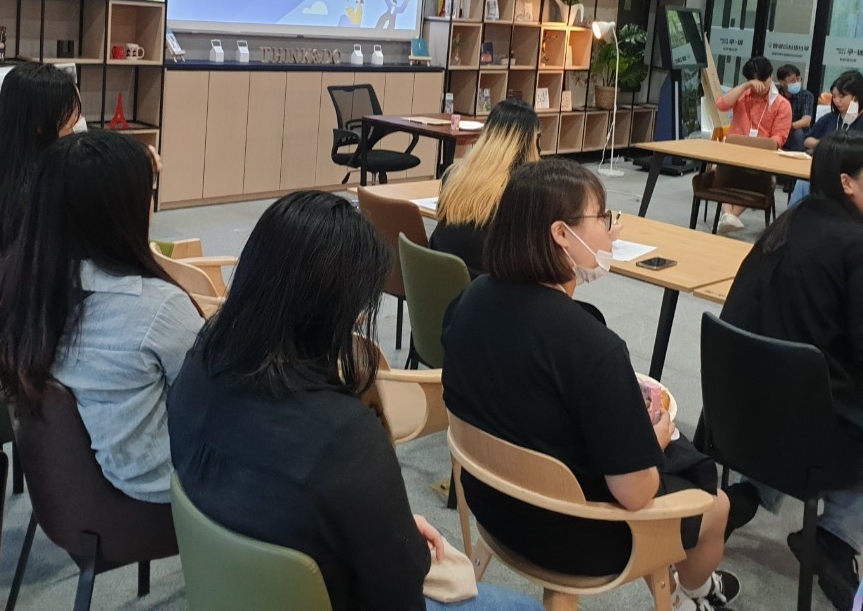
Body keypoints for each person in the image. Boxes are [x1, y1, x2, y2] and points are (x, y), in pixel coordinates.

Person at [168, 191, 541, 611]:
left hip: (230, 591)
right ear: (335, 310)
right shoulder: (342, 435)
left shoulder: (198, 366)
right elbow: (399, 596)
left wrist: (389, 526)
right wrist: (400, 542)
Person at [441, 160, 739, 611]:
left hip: (490, 503)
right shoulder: (593, 348)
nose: (611, 230)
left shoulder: (469, 298)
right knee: (716, 506)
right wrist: (654, 440)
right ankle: (694, 594)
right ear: (562, 234)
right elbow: (635, 494)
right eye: (602, 217)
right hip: (570, 535)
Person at [0, 131, 203, 503]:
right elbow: (209, 395)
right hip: (155, 495)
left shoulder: (21, 287)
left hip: (67, 492)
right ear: (122, 211)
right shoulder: (158, 307)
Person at [720, 132, 863, 611]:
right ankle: (835, 538)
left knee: (802, 383)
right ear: (847, 183)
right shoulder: (854, 244)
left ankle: (744, 495)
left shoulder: (785, 225)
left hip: (739, 415)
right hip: (807, 431)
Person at [0, 63, 83, 296]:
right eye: (69, 121)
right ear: (40, 126)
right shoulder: (45, 186)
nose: (75, 129)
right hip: (27, 309)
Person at [430, 99, 541, 277]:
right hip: (487, 287)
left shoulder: (454, 175)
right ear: (529, 143)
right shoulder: (521, 191)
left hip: (438, 280)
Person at [714, 55, 793, 233]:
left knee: (753, 175)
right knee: (718, 166)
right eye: (754, 82)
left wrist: (762, 147)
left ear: (770, 76)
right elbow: (721, 104)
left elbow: (779, 138)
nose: (759, 86)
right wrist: (745, 86)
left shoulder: (781, 104)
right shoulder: (742, 94)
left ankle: (728, 216)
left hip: (760, 158)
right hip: (733, 153)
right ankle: (729, 217)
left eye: (763, 81)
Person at [789, 70, 863, 205]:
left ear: (856, 97)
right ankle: (796, 218)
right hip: (824, 170)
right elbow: (807, 140)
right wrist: (824, 143)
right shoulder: (830, 118)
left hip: (851, 177)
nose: (837, 101)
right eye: (834, 96)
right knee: (802, 184)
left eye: (842, 96)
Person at [777, 64, 815, 152]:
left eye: (798, 79)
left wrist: (787, 127)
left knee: (797, 133)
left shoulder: (806, 95)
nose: (797, 82)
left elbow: (806, 121)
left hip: (797, 132)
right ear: (782, 82)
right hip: (778, 130)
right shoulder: (776, 95)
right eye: (793, 80)